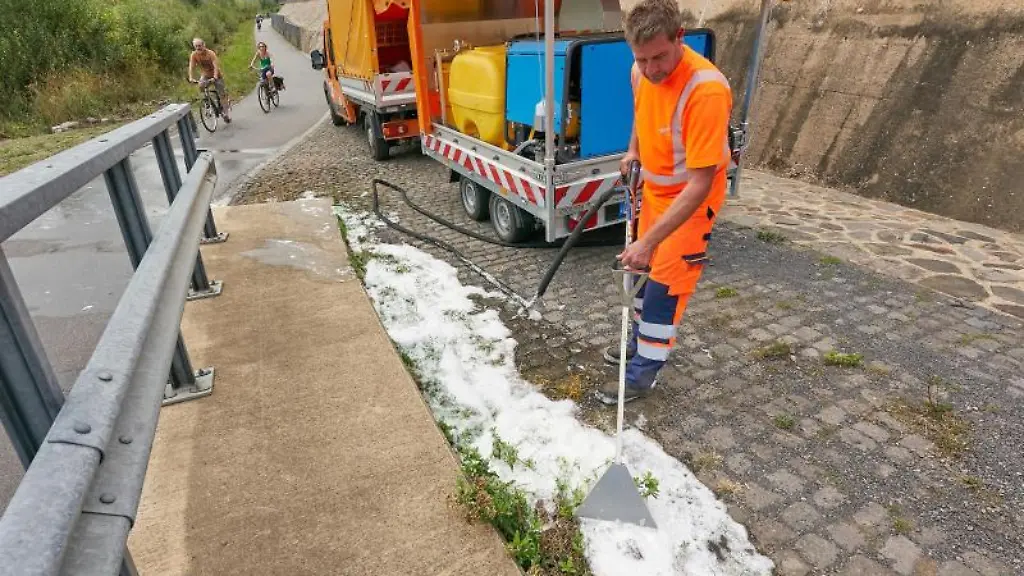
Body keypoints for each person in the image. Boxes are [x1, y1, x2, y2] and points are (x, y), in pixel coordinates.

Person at [597, 0, 733, 405]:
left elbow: (700, 183)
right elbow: (643, 116)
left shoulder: (705, 91)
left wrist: (649, 241)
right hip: (655, 196)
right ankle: (638, 344)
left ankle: (642, 375)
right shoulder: (639, 72)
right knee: (638, 277)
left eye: (659, 57)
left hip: (691, 204)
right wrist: (633, 151)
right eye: (642, 59)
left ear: (680, 38)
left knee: (663, 290)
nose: (651, 69)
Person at [188, 38, 232, 122]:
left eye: (199, 45)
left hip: (217, 75)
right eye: (196, 46)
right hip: (205, 75)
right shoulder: (194, 55)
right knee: (201, 85)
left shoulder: (210, 53)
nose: (198, 48)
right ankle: (207, 101)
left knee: (222, 95)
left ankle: (226, 114)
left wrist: (215, 77)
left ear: (204, 45)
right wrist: (191, 77)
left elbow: (216, 66)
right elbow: (191, 67)